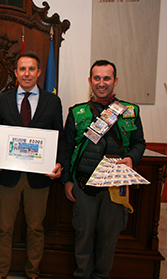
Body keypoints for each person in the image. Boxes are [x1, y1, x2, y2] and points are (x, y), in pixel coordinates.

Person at [0, 51, 65, 279]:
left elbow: (60, 136)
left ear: (39, 72)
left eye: (31, 69)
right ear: (16, 73)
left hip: (39, 178)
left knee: (36, 229)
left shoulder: (52, 101)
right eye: (22, 69)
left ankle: (33, 273)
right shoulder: (4, 99)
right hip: (8, 175)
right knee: (4, 229)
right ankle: (1, 273)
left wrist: (59, 163)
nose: (27, 73)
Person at [61, 60, 145, 279]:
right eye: (96, 78)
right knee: (83, 237)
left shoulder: (130, 111)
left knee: (109, 239)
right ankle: (82, 275)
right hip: (83, 186)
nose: (101, 83)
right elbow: (67, 149)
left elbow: (139, 143)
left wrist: (131, 158)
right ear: (90, 81)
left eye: (106, 78)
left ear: (115, 81)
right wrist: (67, 181)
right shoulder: (76, 112)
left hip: (115, 189)